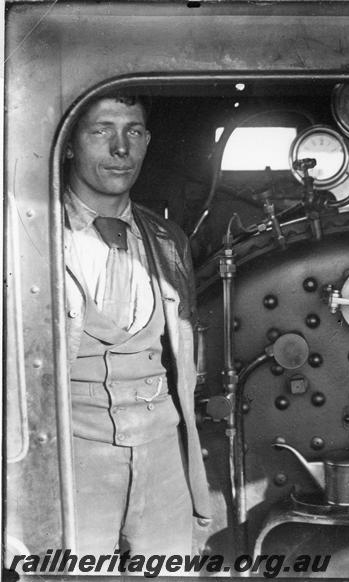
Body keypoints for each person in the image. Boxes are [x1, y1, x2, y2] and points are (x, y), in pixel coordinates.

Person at [63, 94, 211, 557]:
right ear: (69, 144)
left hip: (161, 451)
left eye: (133, 131)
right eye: (101, 130)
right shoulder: (25, 233)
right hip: (73, 457)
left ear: (147, 141)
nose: (121, 148)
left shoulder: (168, 240)